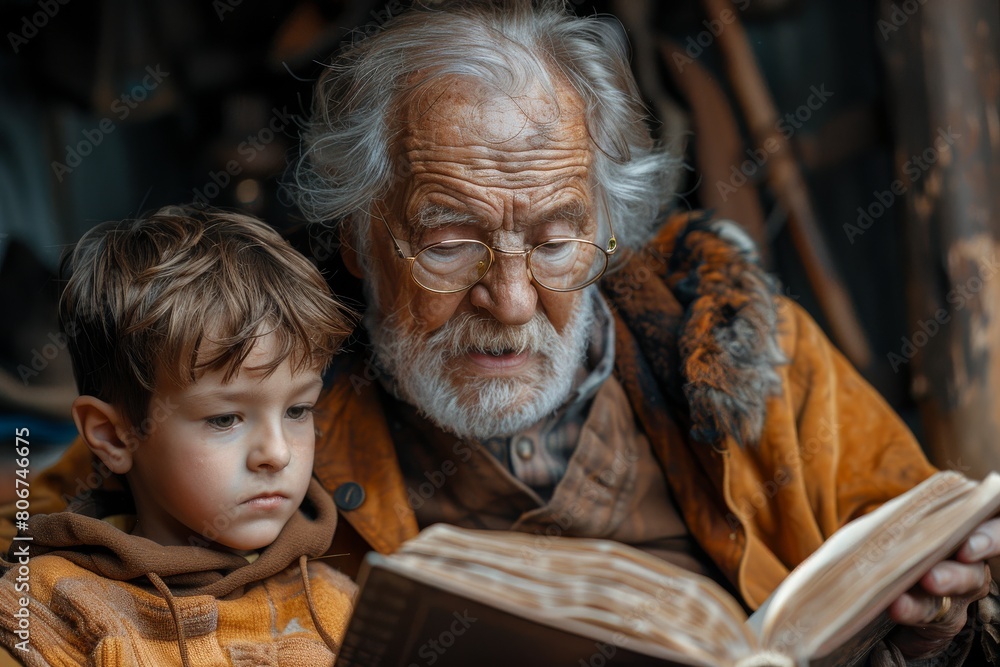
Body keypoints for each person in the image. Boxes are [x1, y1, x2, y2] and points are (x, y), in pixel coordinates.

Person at [10, 1, 999, 665]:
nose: (513, 299)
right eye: (449, 241)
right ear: (360, 236)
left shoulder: (746, 350)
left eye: (558, 239)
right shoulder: (275, 393)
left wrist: (935, 620)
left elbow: (915, 565)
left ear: (606, 235)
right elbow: (42, 534)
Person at [0, 209, 357, 666]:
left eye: (297, 410)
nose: (277, 453)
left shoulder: (334, 602)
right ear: (113, 436)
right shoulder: (47, 612)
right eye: (225, 419)